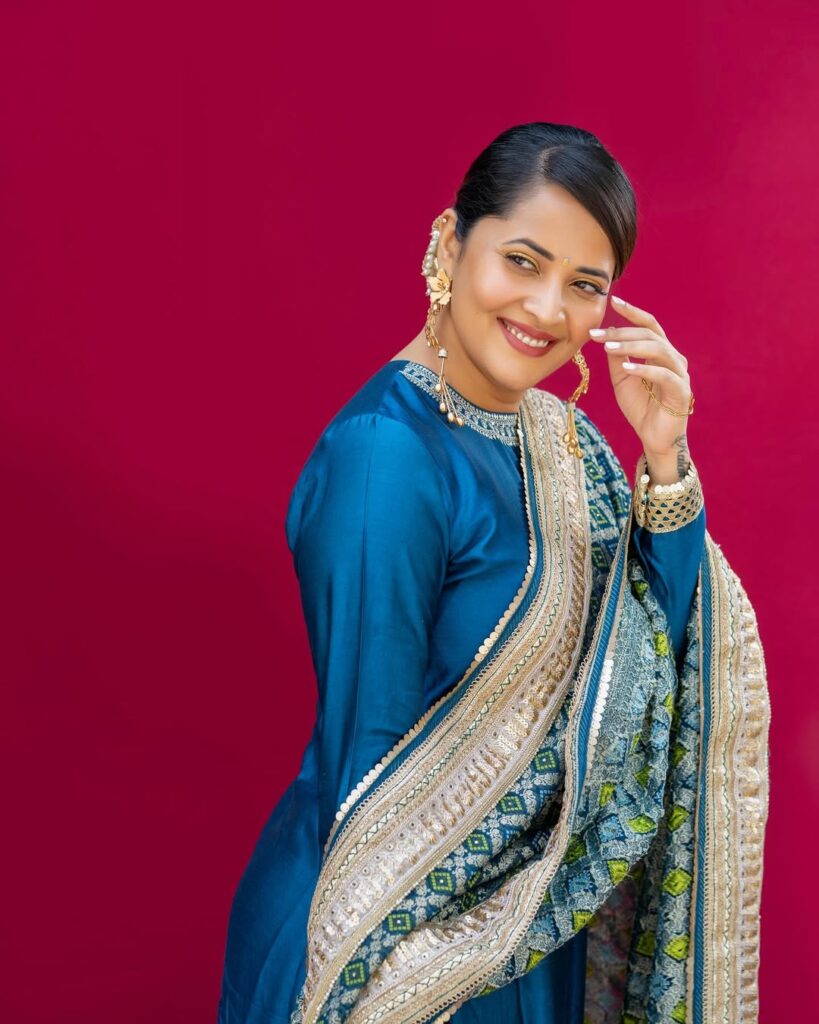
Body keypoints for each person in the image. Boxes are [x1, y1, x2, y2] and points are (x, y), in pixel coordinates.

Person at [216, 122, 770, 1024]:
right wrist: (398, 981)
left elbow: (656, 657)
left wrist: (664, 457)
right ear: (449, 243)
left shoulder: (562, 444)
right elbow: (372, 774)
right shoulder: (385, 455)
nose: (547, 310)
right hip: (392, 941)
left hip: (516, 932)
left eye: (584, 285)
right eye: (522, 261)